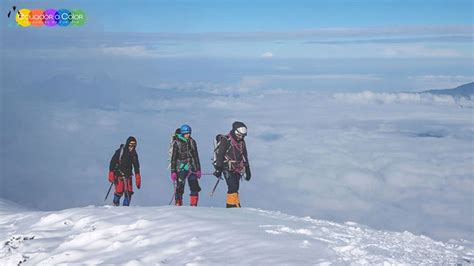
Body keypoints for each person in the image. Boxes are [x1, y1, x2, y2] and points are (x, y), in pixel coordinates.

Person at [213, 121, 251, 208]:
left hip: (237, 168)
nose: (240, 137)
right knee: (232, 186)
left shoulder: (242, 142)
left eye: (243, 136)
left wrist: (247, 169)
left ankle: (234, 205)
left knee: (235, 186)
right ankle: (231, 207)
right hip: (226, 167)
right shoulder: (226, 140)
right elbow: (220, 155)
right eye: (239, 135)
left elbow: (244, 155)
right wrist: (218, 168)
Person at [170, 124, 202, 206]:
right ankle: (178, 204)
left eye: (189, 133)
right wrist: (173, 171)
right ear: (183, 133)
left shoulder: (192, 142)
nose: (188, 135)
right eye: (187, 133)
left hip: (192, 167)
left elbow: (196, 156)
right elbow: (174, 157)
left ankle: (193, 205)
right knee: (180, 188)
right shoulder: (177, 143)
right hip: (180, 168)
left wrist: (198, 169)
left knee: (194, 187)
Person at [108, 136, 141, 206]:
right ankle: (115, 204)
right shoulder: (120, 151)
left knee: (129, 193)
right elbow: (112, 162)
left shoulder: (134, 154)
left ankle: (125, 209)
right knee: (119, 191)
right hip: (119, 175)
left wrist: (138, 178)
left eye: (134, 145)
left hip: (128, 176)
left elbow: (136, 166)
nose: (132, 147)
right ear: (128, 143)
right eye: (131, 145)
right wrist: (111, 173)